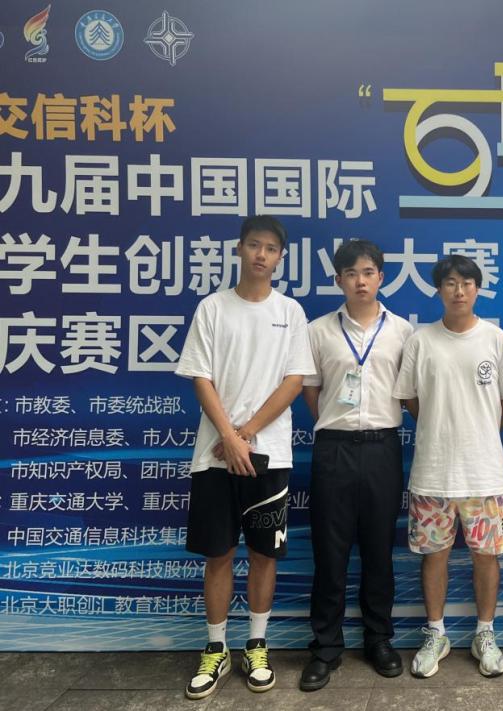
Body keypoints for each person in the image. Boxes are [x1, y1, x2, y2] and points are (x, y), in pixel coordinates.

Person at [175, 215, 315, 699]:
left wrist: (247, 434)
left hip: (268, 454)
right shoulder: (213, 308)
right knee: (218, 554)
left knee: (263, 554)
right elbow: (201, 377)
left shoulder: (290, 312)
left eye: (271, 248)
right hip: (214, 455)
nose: (261, 254)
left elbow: (294, 381)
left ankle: (256, 644)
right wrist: (229, 439)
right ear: (239, 249)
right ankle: (216, 648)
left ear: (280, 258)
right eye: (254, 245)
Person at [392, 254, 503, 679]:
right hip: (432, 471)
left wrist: (479, 432)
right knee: (434, 557)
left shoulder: (496, 340)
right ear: (438, 289)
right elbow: (410, 399)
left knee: (487, 557)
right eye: (450, 283)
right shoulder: (421, 341)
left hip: (484, 472)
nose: (459, 290)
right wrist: (439, 426)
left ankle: (485, 633)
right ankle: (436, 633)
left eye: (466, 283)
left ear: (478, 289)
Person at [299, 240, 413, 690]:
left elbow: (408, 392)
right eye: (351, 273)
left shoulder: (403, 331)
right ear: (339, 280)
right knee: (330, 552)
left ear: (381, 277)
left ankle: (378, 640)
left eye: (368, 272)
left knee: (378, 550)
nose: (360, 281)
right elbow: (312, 392)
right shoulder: (318, 331)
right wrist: (339, 426)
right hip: (334, 450)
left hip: (383, 448)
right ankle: (326, 648)